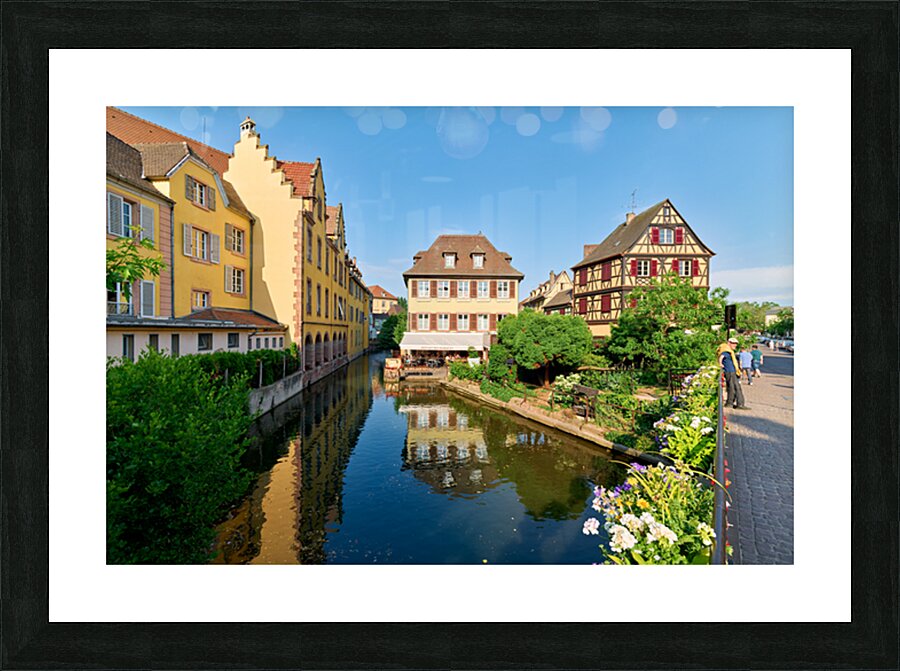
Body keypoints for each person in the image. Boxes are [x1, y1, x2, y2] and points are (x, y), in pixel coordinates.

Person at [720, 338, 747, 409]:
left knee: (734, 387)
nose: (735, 345)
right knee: (734, 387)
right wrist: (720, 364)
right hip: (730, 371)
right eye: (733, 343)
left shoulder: (729, 351)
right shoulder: (726, 350)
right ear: (729, 343)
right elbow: (721, 357)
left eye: (735, 344)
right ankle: (736, 404)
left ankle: (733, 403)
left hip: (732, 371)